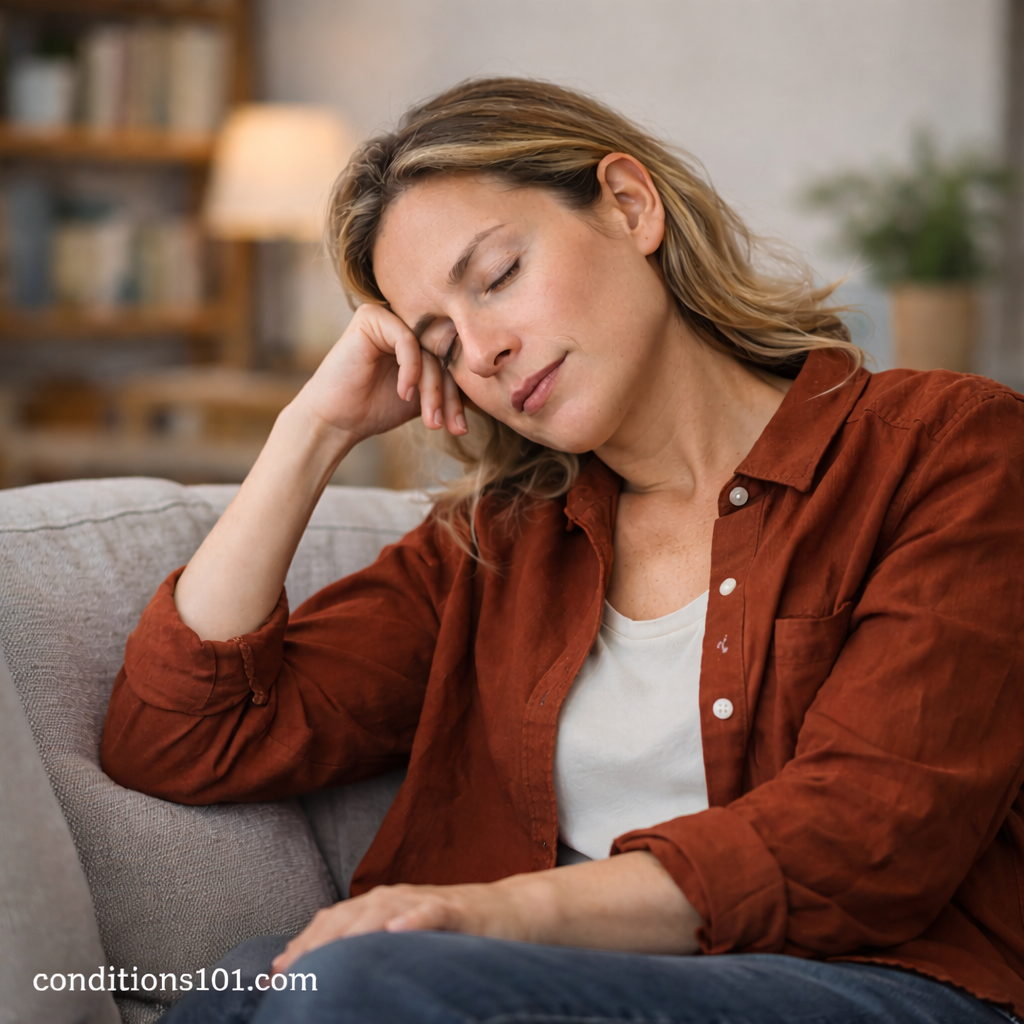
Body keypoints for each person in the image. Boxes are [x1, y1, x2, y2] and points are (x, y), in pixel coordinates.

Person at [101, 78, 1024, 1024]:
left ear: (630, 207)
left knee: (351, 981)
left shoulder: (947, 450)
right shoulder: (495, 546)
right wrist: (312, 430)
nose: (485, 351)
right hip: (533, 988)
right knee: (247, 981)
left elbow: (871, 833)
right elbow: (177, 741)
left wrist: (481, 914)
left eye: (497, 276)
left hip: (876, 982)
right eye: (440, 342)